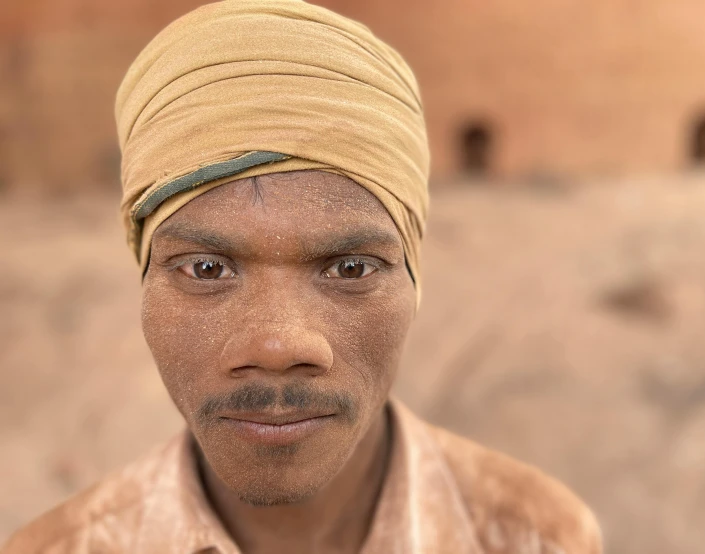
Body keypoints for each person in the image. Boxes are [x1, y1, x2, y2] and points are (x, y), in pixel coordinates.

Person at [2, 1, 602, 552]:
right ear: (145, 284)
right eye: (206, 269)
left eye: (350, 268)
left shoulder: (536, 535)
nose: (279, 344)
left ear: (413, 281)